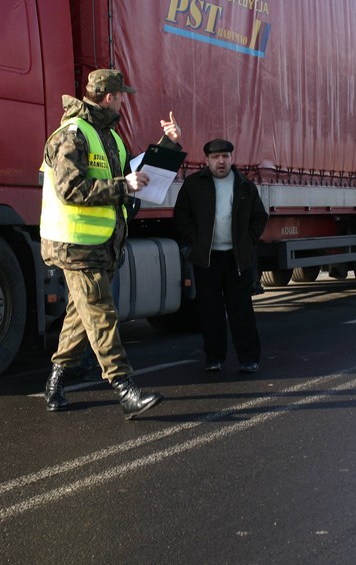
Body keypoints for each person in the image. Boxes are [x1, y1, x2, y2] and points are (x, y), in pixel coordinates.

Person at [40, 68, 179, 419]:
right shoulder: (72, 135)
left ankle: (55, 383)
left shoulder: (111, 138)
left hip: (101, 245)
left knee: (78, 316)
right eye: (121, 96)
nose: (123, 102)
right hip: (74, 246)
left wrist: (168, 147)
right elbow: (71, 189)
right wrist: (122, 186)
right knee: (102, 314)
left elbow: (132, 174)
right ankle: (124, 388)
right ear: (108, 97)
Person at [174, 138, 268, 374]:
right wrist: (195, 242)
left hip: (236, 259)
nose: (221, 162)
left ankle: (249, 359)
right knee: (210, 311)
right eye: (215, 158)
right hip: (207, 259)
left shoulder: (244, 185)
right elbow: (181, 216)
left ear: (231, 158)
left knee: (241, 311)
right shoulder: (195, 185)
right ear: (207, 161)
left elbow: (260, 216)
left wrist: (248, 241)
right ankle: (214, 358)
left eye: (225, 156)